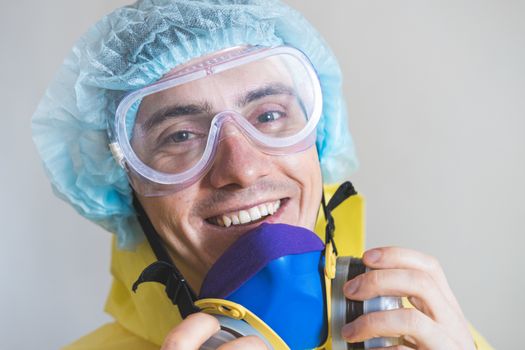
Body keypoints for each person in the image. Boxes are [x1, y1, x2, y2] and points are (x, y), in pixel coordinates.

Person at [32, 0, 492, 349]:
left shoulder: (429, 334)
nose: (243, 168)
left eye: (269, 115)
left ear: (320, 136)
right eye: (180, 136)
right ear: (125, 180)